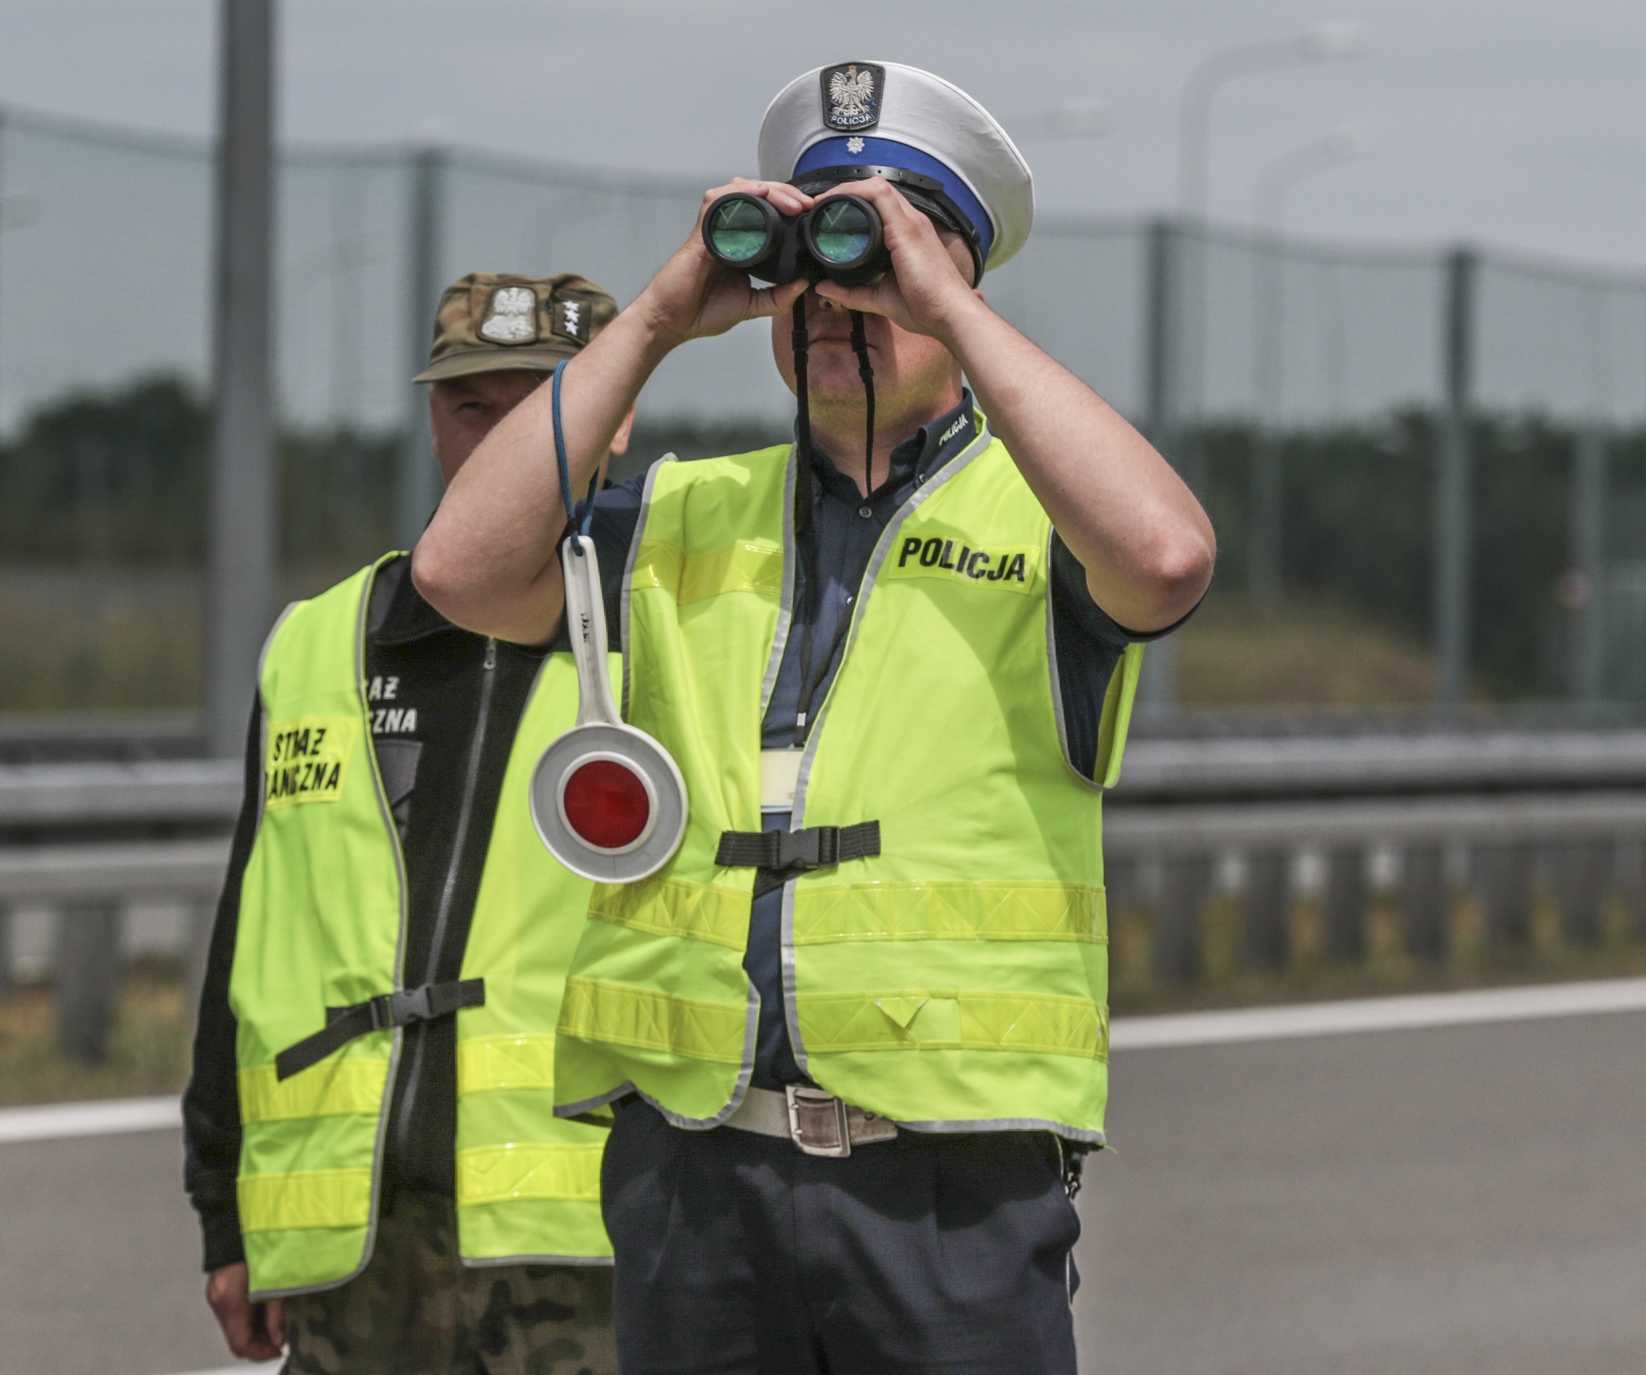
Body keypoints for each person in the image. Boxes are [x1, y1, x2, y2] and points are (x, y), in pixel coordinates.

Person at [413, 63, 1214, 1374]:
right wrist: (659, 316)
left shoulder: (1041, 519)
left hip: (947, 1185)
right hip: (693, 1173)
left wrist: (941, 304)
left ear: (952, 277)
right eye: (818, 262)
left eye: (881, 254)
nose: (838, 299)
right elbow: (457, 570)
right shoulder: (679, 509)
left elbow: (1167, 556)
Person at [183, 272, 633, 1375]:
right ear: (432, 420)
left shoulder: (669, 632)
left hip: (590, 1236)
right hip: (357, 1241)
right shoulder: (323, 639)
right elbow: (253, 933)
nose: (499, 439)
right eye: (471, 407)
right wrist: (223, 1209)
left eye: (540, 407)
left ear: (616, 420)